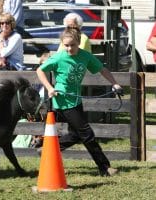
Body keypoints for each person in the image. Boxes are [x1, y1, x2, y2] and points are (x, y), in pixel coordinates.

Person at [36, 27, 122, 176]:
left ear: (79, 43)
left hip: (75, 101)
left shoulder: (85, 56)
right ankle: (105, 167)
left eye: (73, 45)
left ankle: (48, 148)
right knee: (87, 133)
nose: (69, 48)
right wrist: (50, 87)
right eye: (66, 45)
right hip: (62, 101)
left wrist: (114, 83)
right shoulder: (59, 57)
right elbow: (40, 70)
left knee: (77, 135)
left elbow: (102, 69)